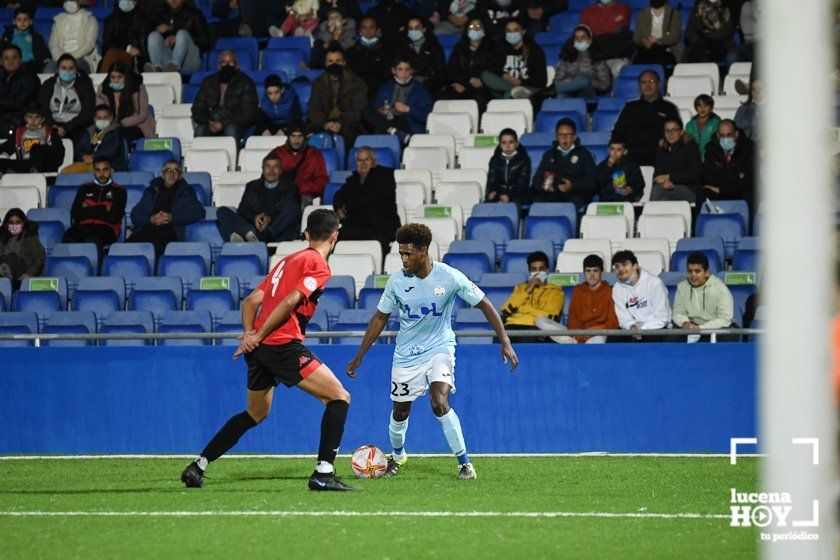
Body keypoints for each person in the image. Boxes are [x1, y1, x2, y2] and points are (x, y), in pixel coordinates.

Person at [182, 209, 359, 492]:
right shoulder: (318, 265)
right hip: (282, 345)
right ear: (335, 236)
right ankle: (323, 473)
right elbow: (290, 301)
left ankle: (198, 466)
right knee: (339, 397)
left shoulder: (286, 261)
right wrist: (260, 335)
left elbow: (250, 302)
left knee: (255, 413)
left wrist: (251, 335)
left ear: (307, 234)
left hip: (261, 350)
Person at [346, 222, 518, 480]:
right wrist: (360, 355)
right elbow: (380, 318)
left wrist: (504, 339)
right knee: (400, 411)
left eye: (408, 254)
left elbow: (484, 304)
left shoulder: (449, 276)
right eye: (400, 254)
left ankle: (464, 464)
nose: (403, 259)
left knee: (439, 402)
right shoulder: (396, 282)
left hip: (440, 348)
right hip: (406, 354)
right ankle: (398, 455)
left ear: (423, 252)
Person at [215, 153, 302, 243]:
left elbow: (289, 212)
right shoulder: (252, 186)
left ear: (280, 170)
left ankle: (263, 235)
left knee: (294, 208)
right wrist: (255, 217)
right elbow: (242, 210)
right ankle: (248, 234)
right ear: (263, 170)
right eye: (268, 167)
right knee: (222, 211)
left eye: (275, 167)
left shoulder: (291, 188)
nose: (271, 171)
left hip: (276, 232)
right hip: (253, 229)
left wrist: (270, 218)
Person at [332, 147, 401, 256]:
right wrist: (338, 208)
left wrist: (348, 205)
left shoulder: (385, 175)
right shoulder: (352, 179)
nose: (363, 163)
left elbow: (372, 197)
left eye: (367, 159)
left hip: (380, 226)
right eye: (360, 160)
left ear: (375, 162)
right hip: (355, 226)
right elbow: (338, 195)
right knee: (333, 240)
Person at [127, 160, 205, 256]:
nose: (171, 174)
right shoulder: (151, 190)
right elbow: (135, 214)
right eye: (168, 170)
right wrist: (151, 219)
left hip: (171, 230)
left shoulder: (187, 192)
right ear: (163, 174)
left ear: (180, 175)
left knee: (155, 245)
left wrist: (172, 218)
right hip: (149, 227)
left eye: (175, 171)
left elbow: (199, 212)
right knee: (127, 247)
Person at [611, 69, 680, 166]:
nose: (647, 85)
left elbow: (675, 134)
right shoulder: (630, 107)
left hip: (660, 158)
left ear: (659, 84)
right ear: (639, 86)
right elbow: (618, 133)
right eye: (643, 82)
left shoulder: (669, 108)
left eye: (652, 81)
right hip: (632, 158)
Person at [191, 50, 258, 146]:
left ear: (237, 65)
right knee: (200, 131)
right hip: (211, 122)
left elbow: (248, 114)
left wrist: (223, 123)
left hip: (235, 124)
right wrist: (208, 122)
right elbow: (197, 108)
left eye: (230, 62)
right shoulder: (208, 82)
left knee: (230, 130)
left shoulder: (246, 82)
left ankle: (231, 160)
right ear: (219, 66)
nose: (227, 65)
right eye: (223, 62)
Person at [362, 55, 432, 145]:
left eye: (407, 69)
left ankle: (393, 131)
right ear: (393, 70)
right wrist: (381, 110)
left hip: (408, 122)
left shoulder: (419, 89)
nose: (404, 73)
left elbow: (427, 116)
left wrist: (408, 109)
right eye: (400, 69)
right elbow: (377, 105)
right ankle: (393, 131)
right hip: (389, 120)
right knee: (366, 110)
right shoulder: (386, 87)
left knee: (381, 128)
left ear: (411, 71)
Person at [62, 156, 127, 253]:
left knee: (92, 241)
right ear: (93, 172)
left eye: (105, 170)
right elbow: (76, 214)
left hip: (106, 229)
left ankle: (93, 268)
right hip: (83, 227)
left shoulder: (120, 191)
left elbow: (113, 218)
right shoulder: (84, 188)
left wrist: (88, 208)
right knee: (69, 238)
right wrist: (102, 207)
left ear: (112, 171)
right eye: (98, 170)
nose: (101, 174)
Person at [531, 117, 597, 211]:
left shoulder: (584, 154)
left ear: (574, 137)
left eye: (568, 135)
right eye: (561, 135)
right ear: (556, 137)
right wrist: (545, 186)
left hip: (575, 194)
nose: (564, 138)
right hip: (552, 194)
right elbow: (536, 180)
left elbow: (592, 182)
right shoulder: (549, 155)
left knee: (574, 205)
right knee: (537, 204)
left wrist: (572, 185)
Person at [307, 46, 367, 146]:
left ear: (344, 62)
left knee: (349, 134)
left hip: (348, 122)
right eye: (330, 61)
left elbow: (358, 109)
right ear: (325, 63)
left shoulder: (356, 82)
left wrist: (340, 123)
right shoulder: (318, 82)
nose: (334, 64)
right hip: (324, 122)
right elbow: (314, 108)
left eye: (338, 61)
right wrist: (325, 123)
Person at [499, 250, 565, 341]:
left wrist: (524, 309)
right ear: (529, 271)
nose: (537, 272)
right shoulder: (520, 288)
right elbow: (506, 311)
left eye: (541, 269)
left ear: (547, 270)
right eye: (534, 269)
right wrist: (528, 289)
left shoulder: (556, 291)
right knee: (500, 336)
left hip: (535, 327)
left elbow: (551, 317)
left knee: (529, 339)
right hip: (513, 325)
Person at [672, 251, 735, 341]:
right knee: (671, 336)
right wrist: (685, 323)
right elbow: (677, 312)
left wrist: (701, 328)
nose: (693, 275)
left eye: (697, 271)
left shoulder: (720, 289)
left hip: (714, 327)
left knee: (726, 336)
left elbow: (724, 319)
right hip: (690, 327)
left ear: (706, 272)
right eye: (690, 271)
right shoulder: (682, 287)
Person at [611, 250, 671, 340]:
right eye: (617, 266)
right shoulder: (617, 288)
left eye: (624, 264)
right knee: (612, 339)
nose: (620, 269)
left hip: (655, 328)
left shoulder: (654, 283)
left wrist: (642, 329)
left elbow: (663, 317)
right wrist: (631, 326)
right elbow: (623, 317)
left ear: (635, 266)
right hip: (632, 329)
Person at [480, 18, 546, 99]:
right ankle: (515, 91)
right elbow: (493, 69)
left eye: (515, 30)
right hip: (506, 85)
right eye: (509, 31)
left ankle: (516, 91)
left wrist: (520, 82)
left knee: (508, 95)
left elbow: (541, 80)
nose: (512, 33)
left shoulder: (535, 51)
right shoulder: (501, 50)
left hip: (528, 87)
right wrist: (504, 76)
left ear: (523, 32)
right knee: (485, 75)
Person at [38, 53, 96, 145]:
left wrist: (66, 128)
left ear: (76, 70)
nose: (67, 71)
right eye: (64, 68)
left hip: (76, 126)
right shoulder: (48, 85)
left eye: (71, 68)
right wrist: (53, 126)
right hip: (52, 125)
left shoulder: (85, 85)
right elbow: (43, 109)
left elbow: (87, 112)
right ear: (57, 69)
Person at [440, 18, 496, 111]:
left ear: (484, 30)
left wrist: (476, 84)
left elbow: (492, 71)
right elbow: (451, 70)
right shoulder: (459, 48)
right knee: (446, 96)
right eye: (471, 27)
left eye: (478, 27)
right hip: (461, 84)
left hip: (483, 88)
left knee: (479, 97)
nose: (475, 29)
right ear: (466, 30)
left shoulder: (491, 49)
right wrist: (462, 83)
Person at [268, 123, 329, 207]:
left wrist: (301, 189)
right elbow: (267, 176)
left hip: (304, 195)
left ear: (304, 137)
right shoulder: (277, 153)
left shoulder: (314, 154)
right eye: (293, 136)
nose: (296, 140)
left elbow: (322, 180)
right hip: (281, 194)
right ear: (288, 137)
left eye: (300, 136)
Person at [96, 61, 155, 142]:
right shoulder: (103, 90)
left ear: (126, 77)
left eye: (119, 77)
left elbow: (141, 115)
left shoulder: (137, 87)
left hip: (137, 125)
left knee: (119, 134)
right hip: (110, 126)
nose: (116, 81)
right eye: (113, 77)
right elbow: (100, 111)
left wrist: (121, 124)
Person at [701, 119, 755, 207]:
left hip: (738, 190)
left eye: (729, 135)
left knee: (750, 194)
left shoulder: (749, 148)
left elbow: (749, 179)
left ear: (736, 134)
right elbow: (708, 176)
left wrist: (722, 190)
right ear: (718, 135)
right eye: (722, 135)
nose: (725, 139)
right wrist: (737, 175)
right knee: (703, 193)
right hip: (717, 189)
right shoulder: (711, 149)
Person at [146, 0, 211, 72]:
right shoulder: (159, 14)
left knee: (182, 34)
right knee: (153, 35)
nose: (173, 0)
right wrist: (157, 30)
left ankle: (175, 67)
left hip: (189, 59)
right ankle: (157, 68)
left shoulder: (195, 14)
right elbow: (146, 37)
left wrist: (179, 40)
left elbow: (206, 42)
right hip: (168, 59)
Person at [0, 102, 65, 174]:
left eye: (37, 117)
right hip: (25, 165)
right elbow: (6, 147)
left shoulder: (50, 131)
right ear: (25, 118)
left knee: (36, 148)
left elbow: (59, 154)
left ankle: (31, 171)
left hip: (44, 167)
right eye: (30, 117)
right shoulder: (19, 132)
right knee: (2, 163)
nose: (33, 120)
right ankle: (22, 172)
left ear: (42, 119)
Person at [566, 254, 618, 343]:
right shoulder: (578, 291)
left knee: (597, 340)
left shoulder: (610, 291)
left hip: (601, 334)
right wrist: (578, 334)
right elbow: (573, 319)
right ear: (584, 273)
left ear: (602, 272)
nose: (591, 275)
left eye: (595, 271)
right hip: (580, 334)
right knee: (543, 322)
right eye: (588, 271)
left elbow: (613, 322)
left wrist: (593, 331)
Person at [651, 117, 702, 203]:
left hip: (689, 189)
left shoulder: (690, 146)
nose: (670, 133)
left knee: (657, 190)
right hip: (667, 189)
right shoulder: (662, 147)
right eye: (667, 130)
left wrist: (670, 178)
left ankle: (647, 215)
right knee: (663, 201)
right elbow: (657, 174)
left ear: (681, 132)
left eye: (674, 130)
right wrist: (664, 182)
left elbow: (695, 175)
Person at [62, 104, 126, 173]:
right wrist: (83, 156)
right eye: (99, 118)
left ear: (111, 118)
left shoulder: (115, 131)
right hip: (88, 163)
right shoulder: (89, 131)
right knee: (66, 172)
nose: (102, 120)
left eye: (105, 117)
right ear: (94, 119)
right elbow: (79, 148)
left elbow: (112, 149)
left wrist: (94, 157)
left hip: (110, 164)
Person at [553, 24, 611, 98]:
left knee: (584, 80)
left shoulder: (598, 59)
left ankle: (555, 90)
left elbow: (604, 85)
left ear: (590, 40)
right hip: (569, 91)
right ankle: (559, 90)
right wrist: (573, 82)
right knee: (561, 97)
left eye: (583, 37)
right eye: (576, 38)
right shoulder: (566, 59)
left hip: (588, 92)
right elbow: (557, 81)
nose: (579, 40)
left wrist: (588, 82)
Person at [46, 0, 100, 74]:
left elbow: (89, 44)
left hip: (82, 57)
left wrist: (70, 57)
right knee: (48, 70)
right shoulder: (58, 20)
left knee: (71, 69)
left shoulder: (90, 19)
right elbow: (52, 44)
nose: (69, 1)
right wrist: (58, 58)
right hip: (59, 58)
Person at [0, 44, 40, 142]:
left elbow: (18, 102)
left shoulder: (30, 77)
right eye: (6, 58)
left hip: (20, 121)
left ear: (21, 60)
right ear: (1, 61)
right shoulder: (1, 76)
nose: (10, 61)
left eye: (14, 57)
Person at [580, 0, 634, 72]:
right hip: (594, 57)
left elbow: (616, 30)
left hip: (616, 56)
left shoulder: (624, 9)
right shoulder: (587, 11)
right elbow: (583, 34)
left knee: (619, 67)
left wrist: (596, 30)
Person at [346, 17, 392, 102]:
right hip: (357, 92)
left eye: (372, 27)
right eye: (364, 27)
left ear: (377, 30)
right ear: (359, 31)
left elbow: (387, 75)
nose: (368, 30)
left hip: (379, 92)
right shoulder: (350, 52)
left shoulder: (386, 51)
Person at [400, 17, 448, 98]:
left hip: (430, 83)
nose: (413, 31)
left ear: (423, 29)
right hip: (408, 81)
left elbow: (440, 72)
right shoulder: (403, 47)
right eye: (410, 28)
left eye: (417, 28)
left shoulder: (434, 46)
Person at [485, 127, 531, 206]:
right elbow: (491, 181)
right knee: (487, 205)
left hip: (518, 194)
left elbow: (522, 184)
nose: (507, 146)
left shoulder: (524, 159)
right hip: (499, 194)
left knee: (513, 205)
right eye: (504, 142)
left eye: (511, 142)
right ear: (500, 145)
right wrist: (491, 192)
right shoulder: (494, 160)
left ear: (516, 144)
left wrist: (508, 195)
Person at [0, 208, 44, 289]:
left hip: (23, 272)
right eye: (11, 222)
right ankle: (6, 278)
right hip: (3, 267)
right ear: (6, 224)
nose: (14, 226)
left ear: (23, 223)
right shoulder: (2, 237)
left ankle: (7, 277)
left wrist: (29, 273)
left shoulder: (29, 236)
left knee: (11, 257)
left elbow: (38, 258)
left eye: (17, 222)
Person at [100, 0, 148, 73]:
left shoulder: (144, 20)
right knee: (112, 54)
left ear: (136, 2)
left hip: (137, 58)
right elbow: (106, 44)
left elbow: (145, 44)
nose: (126, 1)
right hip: (116, 55)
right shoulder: (110, 20)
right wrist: (127, 48)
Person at [632, 0, 683, 65]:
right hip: (647, 49)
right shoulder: (642, 13)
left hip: (667, 49)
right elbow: (636, 37)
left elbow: (674, 36)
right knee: (640, 60)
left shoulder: (674, 13)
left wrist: (657, 40)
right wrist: (645, 41)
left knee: (660, 59)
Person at [1, 7, 50, 73]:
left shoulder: (36, 37)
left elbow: (42, 49)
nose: (22, 22)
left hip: (30, 65)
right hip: (12, 64)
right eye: (19, 20)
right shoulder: (8, 36)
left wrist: (46, 58)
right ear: (14, 22)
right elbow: (2, 48)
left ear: (30, 22)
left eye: (25, 19)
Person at [595, 136, 644, 202]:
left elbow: (640, 183)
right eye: (612, 149)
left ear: (625, 151)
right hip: (607, 199)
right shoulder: (603, 165)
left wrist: (630, 189)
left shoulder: (631, 165)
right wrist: (609, 166)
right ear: (608, 150)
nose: (615, 152)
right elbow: (599, 183)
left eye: (619, 149)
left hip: (625, 198)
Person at [684, 93, 720, 158]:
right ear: (696, 107)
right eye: (699, 105)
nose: (702, 108)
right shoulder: (689, 124)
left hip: (711, 158)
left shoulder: (717, 123)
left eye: (706, 106)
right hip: (693, 158)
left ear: (711, 108)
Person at [734, 77, 762, 141]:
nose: (757, 92)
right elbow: (736, 127)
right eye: (753, 89)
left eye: (760, 89)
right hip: (748, 144)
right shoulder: (742, 109)